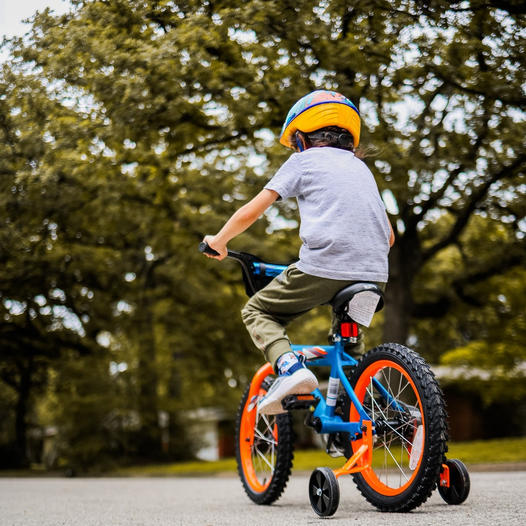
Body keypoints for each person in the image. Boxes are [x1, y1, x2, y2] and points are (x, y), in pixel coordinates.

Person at [202, 90, 394, 415]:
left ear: (303, 138)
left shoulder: (302, 162)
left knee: (257, 312)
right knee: (350, 351)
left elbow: (252, 210)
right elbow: (388, 237)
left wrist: (219, 240)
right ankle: (380, 418)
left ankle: (292, 369)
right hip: (374, 275)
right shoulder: (362, 170)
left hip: (323, 269)